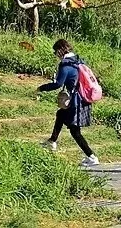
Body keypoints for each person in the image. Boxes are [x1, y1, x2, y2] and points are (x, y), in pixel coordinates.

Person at [38, 39, 99, 167]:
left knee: (75, 131)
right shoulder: (78, 62)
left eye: (56, 52)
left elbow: (58, 84)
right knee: (60, 114)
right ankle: (52, 141)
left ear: (60, 50)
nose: (56, 55)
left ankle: (91, 157)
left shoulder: (65, 65)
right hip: (82, 100)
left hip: (75, 102)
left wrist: (41, 88)